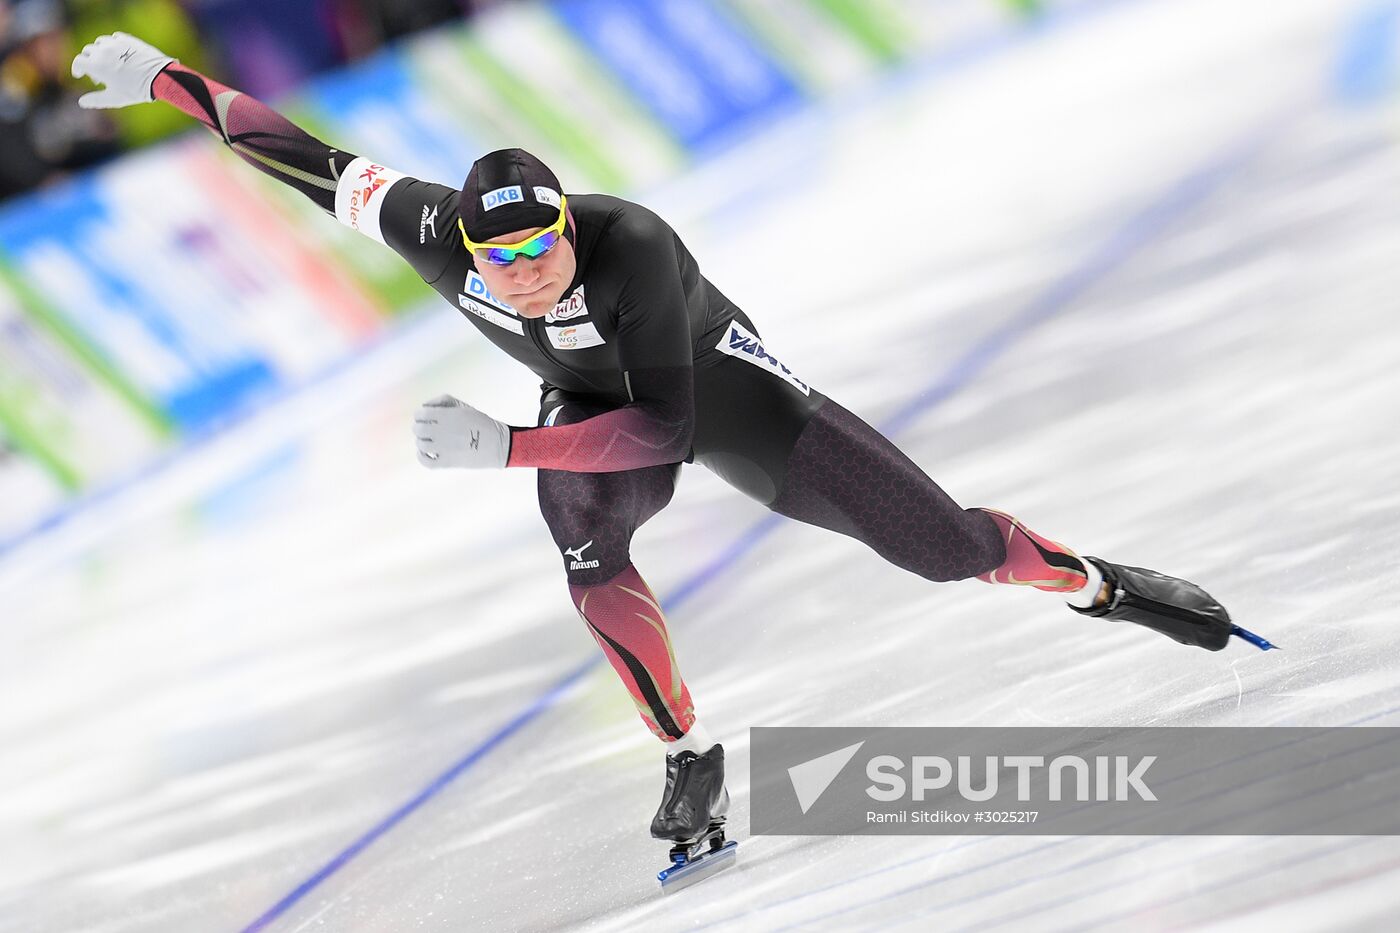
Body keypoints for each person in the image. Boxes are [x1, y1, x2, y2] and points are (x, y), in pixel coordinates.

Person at [70, 32, 1245, 864]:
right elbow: (298, 153)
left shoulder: (631, 245)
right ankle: (685, 752)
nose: (524, 271)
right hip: (588, 407)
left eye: (541, 248)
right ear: (465, 249)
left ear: (566, 224)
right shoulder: (433, 226)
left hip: (723, 396)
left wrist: (505, 448)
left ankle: (1099, 584)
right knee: (588, 557)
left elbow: (673, 430)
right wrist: (168, 77)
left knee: (941, 551)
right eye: (501, 260)